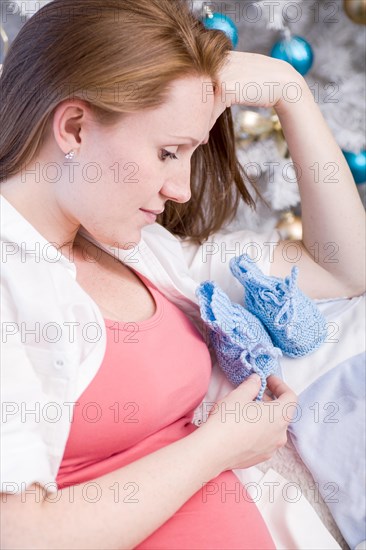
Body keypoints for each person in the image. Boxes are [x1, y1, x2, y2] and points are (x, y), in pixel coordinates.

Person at [0, 0, 364, 548]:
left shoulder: (139, 251)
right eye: (169, 151)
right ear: (74, 127)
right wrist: (217, 447)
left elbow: (342, 268)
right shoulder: (12, 286)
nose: (182, 189)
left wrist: (292, 93)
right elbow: (22, 534)